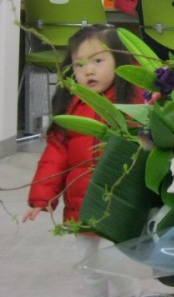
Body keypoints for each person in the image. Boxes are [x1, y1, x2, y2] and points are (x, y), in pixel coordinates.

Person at [24, 24, 145, 297]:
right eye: (79, 65)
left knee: (117, 268)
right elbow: (54, 157)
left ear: (119, 61)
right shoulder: (71, 110)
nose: (88, 70)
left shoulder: (133, 104)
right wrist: (42, 197)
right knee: (91, 270)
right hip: (82, 207)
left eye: (98, 61)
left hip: (118, 208)